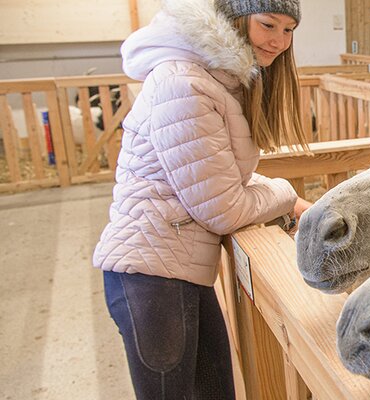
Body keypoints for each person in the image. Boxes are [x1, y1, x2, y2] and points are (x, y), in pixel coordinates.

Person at [93, 0, 310, 397]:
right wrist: (286, 193)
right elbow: (222, 210)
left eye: (289, 30)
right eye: (268, 24)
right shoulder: (184, 84)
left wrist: (291, 205)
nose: (279, 41)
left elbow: (216, 172)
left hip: (177, 266)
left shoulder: (215, 80)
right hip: (151, 274)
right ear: (235, 19)